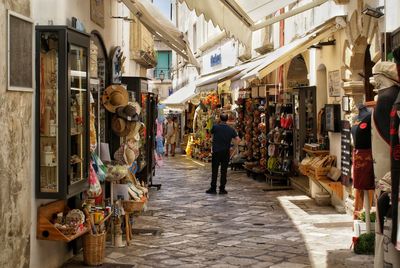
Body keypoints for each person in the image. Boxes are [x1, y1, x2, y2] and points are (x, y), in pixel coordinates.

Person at [206, 113, 240, 194]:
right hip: (225, 152)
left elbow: (210, 134)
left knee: (215, 171)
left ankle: (213, 188)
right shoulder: (231, 129)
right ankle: (222, 189)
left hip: (216, 151)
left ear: (220, 119)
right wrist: (233, 147)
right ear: (227, 119)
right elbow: (238, 139)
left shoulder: (215, 127)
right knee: (224, 171)